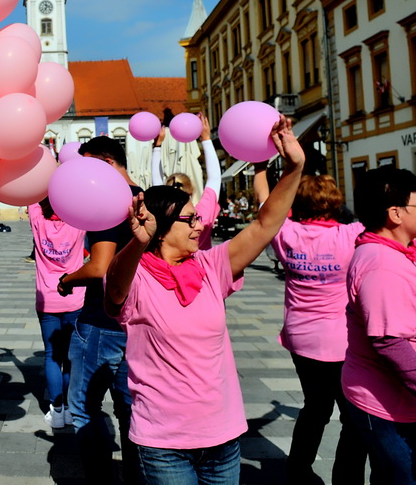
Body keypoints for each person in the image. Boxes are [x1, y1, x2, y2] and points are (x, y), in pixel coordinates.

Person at [103, 116, 303, 485]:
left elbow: (264, 226)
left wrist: (293, 168)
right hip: (163, 441)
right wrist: (138, 242)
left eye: (198, 217)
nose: (199, 225)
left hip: (222, 436)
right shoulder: (137, 273)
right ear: (161, 229)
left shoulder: (212, 265)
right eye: (189, 219)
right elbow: (114, 288)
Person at [341, 152, 416, 484]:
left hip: (411, 404)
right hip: (394, 408)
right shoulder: (383, 265)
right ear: (395, 214)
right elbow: (390, 343)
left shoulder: (398, 249)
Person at [255, 166, 376, 484]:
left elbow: (265, 204)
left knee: (315, 407)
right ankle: (346, 478)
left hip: (301, 339)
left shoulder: (286, 233)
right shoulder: (350, 235)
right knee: (352, 417)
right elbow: (393, 223)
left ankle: (298, 470)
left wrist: (258, 169)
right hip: (340, 342)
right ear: (334, 204)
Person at [58, 136, 142, 484]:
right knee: (128, 409)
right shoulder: (144, 196)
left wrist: (67, 279)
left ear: (107, 165)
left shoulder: (106, 201)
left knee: (84, 407)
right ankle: (137, 478)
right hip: (136, 321)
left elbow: (99, 268)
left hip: (101, 321)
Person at [30, 197, 85, 428]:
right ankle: (71, 409)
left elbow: (30, 196)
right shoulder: (79, 223)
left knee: (52, 355)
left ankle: (57, 409)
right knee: (70, 357)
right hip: (75, 300)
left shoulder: (37, 220)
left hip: (48, 301)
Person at [151, 113, 222, 249]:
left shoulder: (164, 210)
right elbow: (214, 177)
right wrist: (206, 138)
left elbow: (156, 180)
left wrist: (158, 145)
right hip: (200, 267)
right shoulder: (202, 213)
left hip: (167, 267)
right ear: (191, 191)